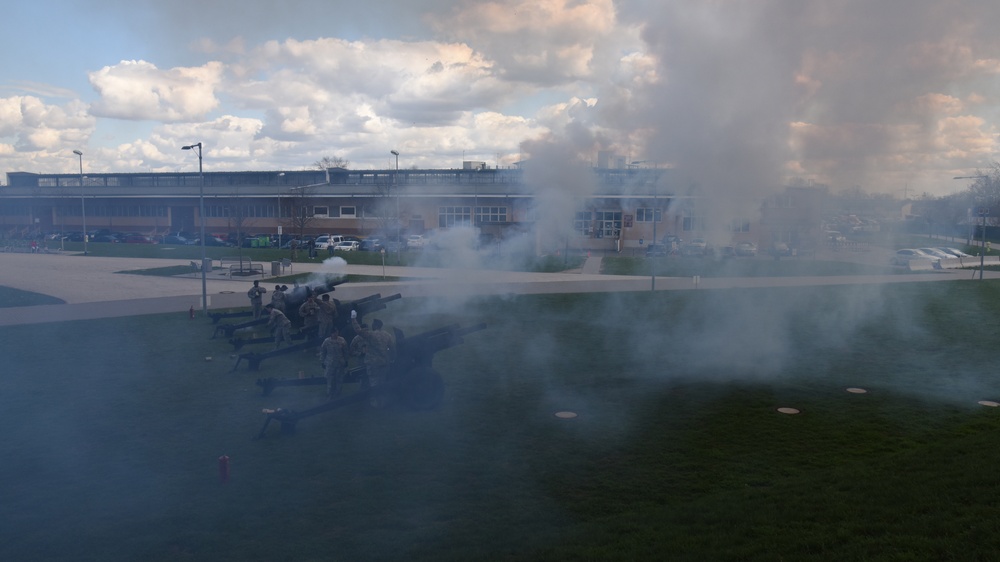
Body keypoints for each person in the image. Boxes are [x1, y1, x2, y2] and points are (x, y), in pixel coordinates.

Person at [351, 310, 396, 407]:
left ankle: (375, 402)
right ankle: (383, 401)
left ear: (374, 326)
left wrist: (353, 318)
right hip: (384, 362)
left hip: (372, 363)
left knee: (374, 382)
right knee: (383, 381)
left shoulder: (370, 335)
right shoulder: (387, 335)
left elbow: (358, 330)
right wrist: (392, 358)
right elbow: (392, 349)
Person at [320, 327, 349, 398]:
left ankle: (338, 393)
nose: (336, 334)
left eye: (337, 332)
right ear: (331, 333)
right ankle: (330, 393)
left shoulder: (342, 340)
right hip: (330, 363)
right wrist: (322, 361)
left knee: (339, 378)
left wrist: (346, 360)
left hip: (340, 363)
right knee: (330, 379)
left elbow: (346, 351)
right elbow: (323, 351)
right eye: (334, 333)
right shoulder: (326, 341)